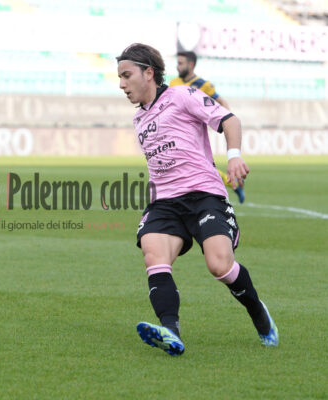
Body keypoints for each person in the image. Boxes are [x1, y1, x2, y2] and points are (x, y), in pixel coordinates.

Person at [117, 43, 278, 356]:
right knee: (154, 257)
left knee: (219, 265)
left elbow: (230, 120)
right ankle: (171, 333)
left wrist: (234, 156)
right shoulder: (139, 120)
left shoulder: (182, 95)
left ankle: (257, 311)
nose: (122, 84)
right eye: (120, 77)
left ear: (148, 73)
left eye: (126, 75)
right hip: (164, 201)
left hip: (204, 194)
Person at [170, 51, 245, 203]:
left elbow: (221, 102)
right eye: (177, 63)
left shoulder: (202, 85)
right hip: (176, 132)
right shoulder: (173, 83)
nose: (177, 67)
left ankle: (226, 186)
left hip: (194, 134)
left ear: (191, 64)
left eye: (181, 63)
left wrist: (226, 120)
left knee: (200, 166)